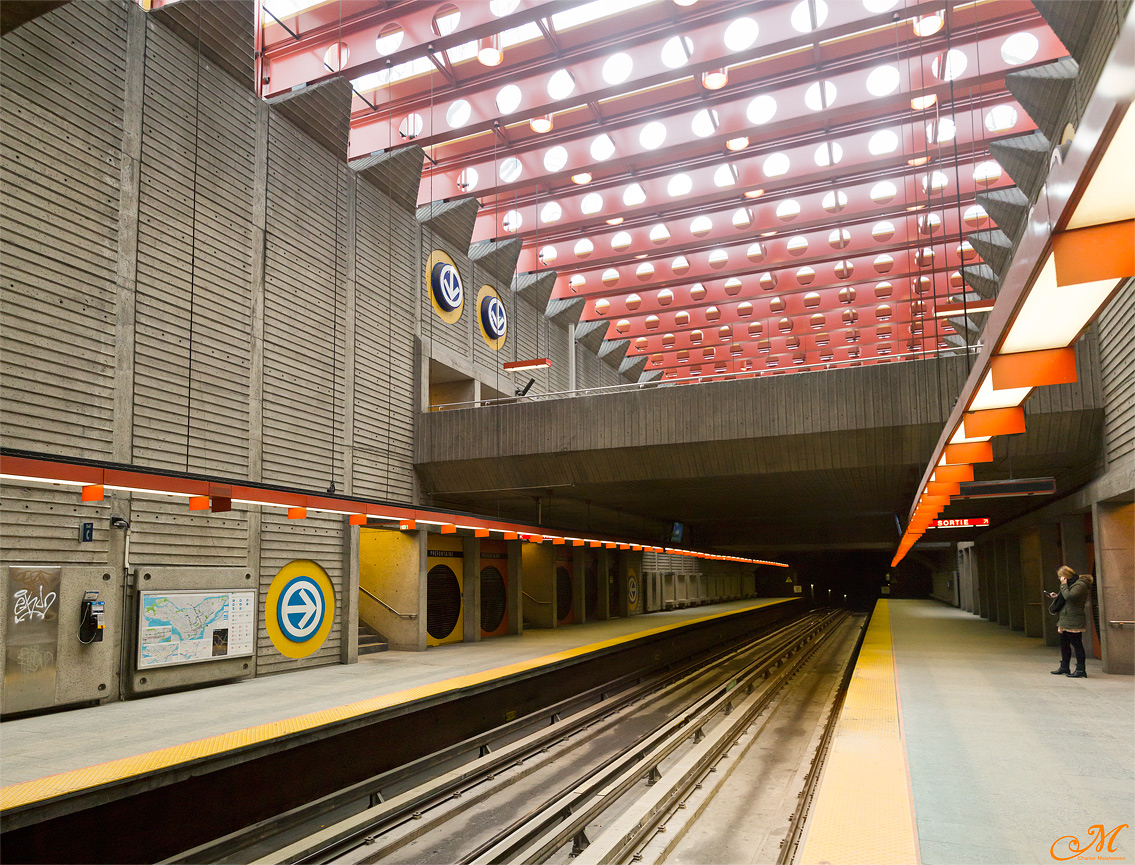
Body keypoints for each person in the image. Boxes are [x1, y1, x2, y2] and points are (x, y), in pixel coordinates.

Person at [1047, 565, 1094, 678]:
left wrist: (1063, 585)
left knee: (1077, 644)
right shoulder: (1071, 584)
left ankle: (1080, 669)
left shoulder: (1080, 584)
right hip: (1065, 618)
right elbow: (1066, 597)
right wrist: (1056, 597)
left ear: (1066, 576)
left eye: (1060, 577)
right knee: (1064, 643)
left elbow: (1070, 597)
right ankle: (1064, 666)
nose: (1060, 579)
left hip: (1074, 619)